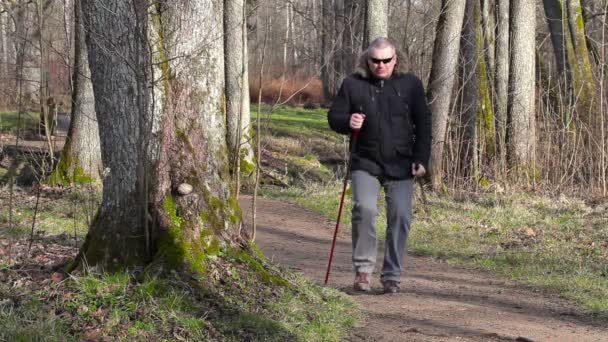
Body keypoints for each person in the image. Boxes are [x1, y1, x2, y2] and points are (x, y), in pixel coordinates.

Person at [327, 37, 432, 294]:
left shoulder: (411, 84)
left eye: (386, 60)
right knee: (364, 209)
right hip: (366, 160)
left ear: (395, 60)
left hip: (402, 162)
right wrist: (347, 121)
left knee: (401, 215)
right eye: (376, 60)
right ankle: (363, 272)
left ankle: (392, 275)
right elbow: (334, 117)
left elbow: (424, 124)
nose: (381, 65)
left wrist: (421, 159)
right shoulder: (353, 84)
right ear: (367, 60)